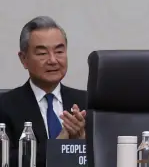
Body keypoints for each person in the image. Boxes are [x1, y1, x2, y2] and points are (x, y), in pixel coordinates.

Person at [0, 16, 87, 167]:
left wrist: (82, 142)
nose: (53, 60)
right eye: (42, 53)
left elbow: (107, 153)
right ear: (23, 59)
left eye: (59, 51)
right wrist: (58, 146)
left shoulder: (87, 102)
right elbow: (6, 159)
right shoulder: (5, 106)